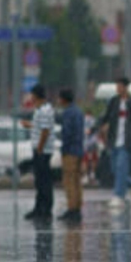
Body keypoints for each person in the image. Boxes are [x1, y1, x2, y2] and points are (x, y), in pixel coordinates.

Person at [98, 77, 131, 208]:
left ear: (126, 87)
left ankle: (119, 196)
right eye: (116, 86)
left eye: (120, 86)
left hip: (128, 141)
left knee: (121, 167)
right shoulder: (113, 101)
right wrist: (100, 126)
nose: (117, 88)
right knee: (114, 169)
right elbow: (105, 117)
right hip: (114, 140)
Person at [21, 84, 54, 221]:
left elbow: (45, 131)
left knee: (44, 181)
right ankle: (39, 207)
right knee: (39, 181)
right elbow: (41, 127)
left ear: (36, 95)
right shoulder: (40, 109)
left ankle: (45, 209)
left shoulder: (45, 110)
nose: (31, 97)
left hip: (43, 150)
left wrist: (40, 148)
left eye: (32, 94)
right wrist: (30, 125)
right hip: (39, 149)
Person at [57, 88, 84, 222]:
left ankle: (72, 209)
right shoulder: (78, 112)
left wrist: (64, 149)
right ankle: (77, 208)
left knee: (69, 181)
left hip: (70, 151)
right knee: (77, 181)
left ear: (63, 99)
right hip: (79, 150)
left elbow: (67, 132)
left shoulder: (67, 113)